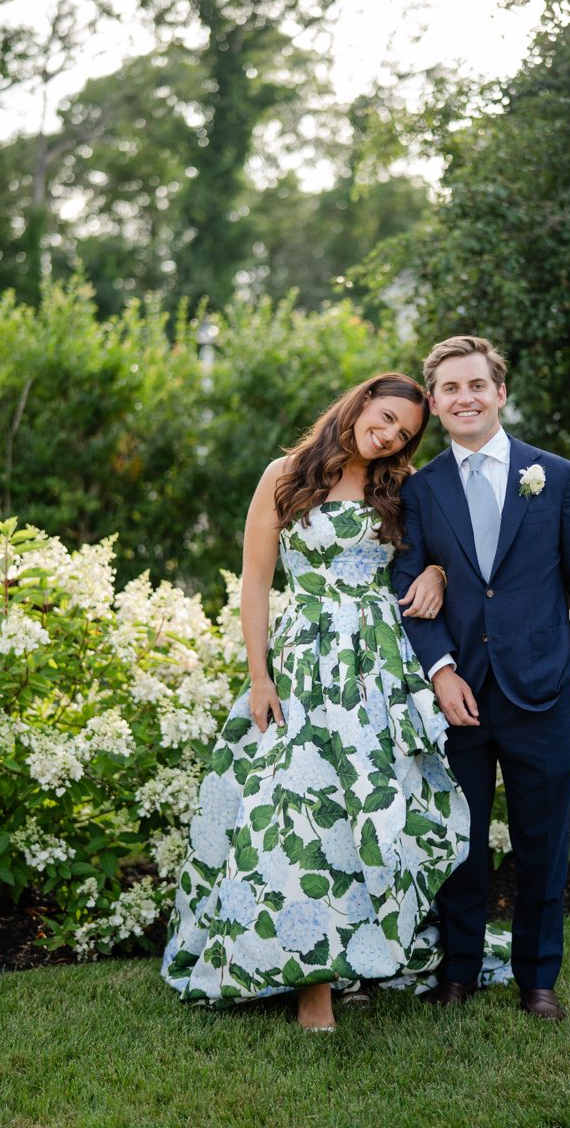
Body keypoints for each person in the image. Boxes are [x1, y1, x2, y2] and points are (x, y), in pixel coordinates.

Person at [162, 373, 477, 1031]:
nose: (389, 435)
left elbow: (446, 557)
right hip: (307, 664)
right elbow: (255, 580)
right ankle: (312, 987)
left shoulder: (403, 486)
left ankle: (359, 953)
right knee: (304, 810)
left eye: (404, 432)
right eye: (386, 417)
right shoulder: (286, 473)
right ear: (362, 402)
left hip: (379, 666)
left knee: (369, 807)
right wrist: (259, 676)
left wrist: (437, 572)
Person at [392, 336, 570, 1021]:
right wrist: (441, 671)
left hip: (543, 689)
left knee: (542, 842)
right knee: (461, 841)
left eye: (476, 386)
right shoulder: (420, 490)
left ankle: (537, 977)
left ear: (500, 393)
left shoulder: (557, 476)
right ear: (434, 402)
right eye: (450, 389)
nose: (464, 399)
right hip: (460, 697)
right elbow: (409, 585)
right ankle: (458, 969)